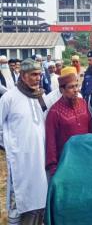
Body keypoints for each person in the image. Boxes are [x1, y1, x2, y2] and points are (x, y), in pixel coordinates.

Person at [0, 58, 48, 224]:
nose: (38, 78)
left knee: (39, 194)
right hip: (19, 159)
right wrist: (8, 145)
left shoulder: (40, 96)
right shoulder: (9, 98)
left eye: (39, 74)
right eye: (33, 74)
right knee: (19, 196)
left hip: (39, 156)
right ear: (22, 75)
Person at [45, 67, 92, 176]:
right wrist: (53, 168)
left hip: (85, 157)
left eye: (76, 86)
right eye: (71, 87)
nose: (76, 90)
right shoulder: (54, 112)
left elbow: (90, 129)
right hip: (66, 162)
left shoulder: (83, 103)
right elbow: (51, 143)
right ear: (62, 90)